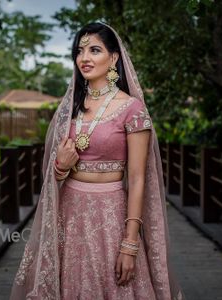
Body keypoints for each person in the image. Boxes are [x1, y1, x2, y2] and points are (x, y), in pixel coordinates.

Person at [10, 22, 183, 300]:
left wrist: (129, 244)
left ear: (113, 57)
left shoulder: (132, 109)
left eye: (94, 50)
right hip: (69, 213)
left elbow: (138, 178)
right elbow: (54, 170)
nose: (84, 58)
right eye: (80, 51)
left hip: (111, 215)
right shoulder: (70, 108)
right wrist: (60, 167)